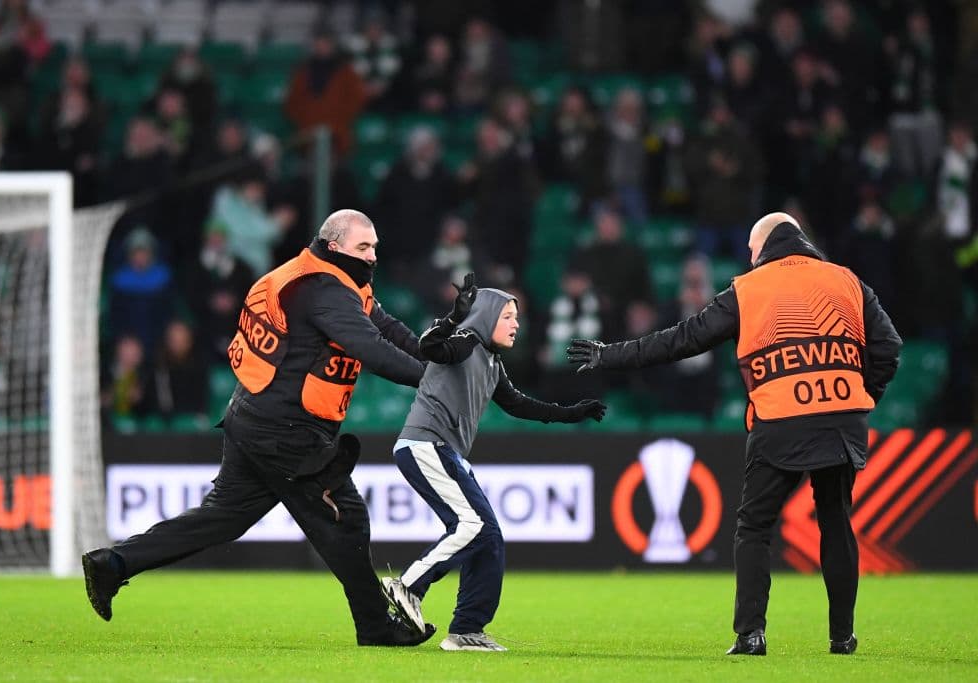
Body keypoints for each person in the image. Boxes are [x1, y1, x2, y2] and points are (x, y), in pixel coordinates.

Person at [82, 210, 436, 648]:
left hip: (254, 415)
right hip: (287, 429)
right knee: (346, 518)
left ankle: (113, 564)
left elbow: (385, 326)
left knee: (221, 519)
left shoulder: (324, 278)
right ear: (333, 246)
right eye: (363, 247)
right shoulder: (321, 289)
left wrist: (434, 353)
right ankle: (376, 626)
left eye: (375, 247)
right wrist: (433, 380)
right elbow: (371, 347)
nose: (372, 256)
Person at [567, 212, 901, 656]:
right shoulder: (846, 281)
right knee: (836, 522)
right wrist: (861, 395)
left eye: (750, 247)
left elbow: (684, 339)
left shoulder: (750, 288)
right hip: (841, 418)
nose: (748, 254)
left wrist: (610, 355)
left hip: (780, 421)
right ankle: (842, 637)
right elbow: (889, 348)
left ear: (763, 245)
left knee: (754, 526)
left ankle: (751, 635)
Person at [382, 274, 607, 651]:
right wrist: (453, 318)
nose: (516, 323)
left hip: (442, 451)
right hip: (425, 445)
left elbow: (519, 405)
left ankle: (467, 630)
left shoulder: (489, 360)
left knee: (488, 538)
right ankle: (407, 586)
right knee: (474, 524)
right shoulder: (466, 342)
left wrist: (572, 413)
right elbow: (430, 347)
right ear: (485, 316)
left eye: (516, 316)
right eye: (508, 316)